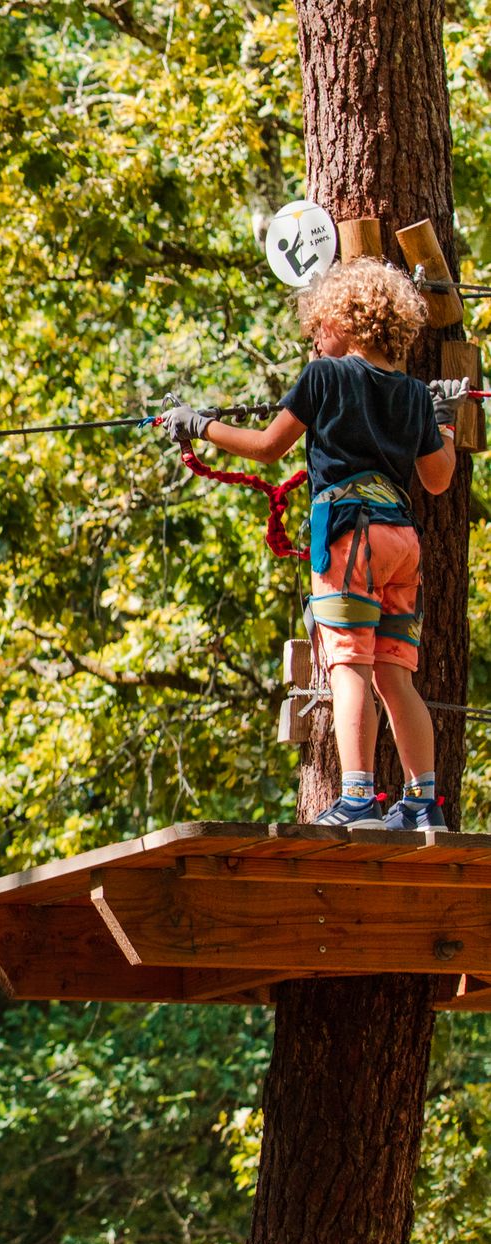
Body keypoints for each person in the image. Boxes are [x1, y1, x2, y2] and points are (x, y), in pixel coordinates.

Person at [162, 256, 467, 830]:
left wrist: (199, 424)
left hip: (350, 537)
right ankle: (423, 802)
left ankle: (358, 799)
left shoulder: (324, 377)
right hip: (403, 540)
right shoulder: (410, 396)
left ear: (345, 322)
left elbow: (266, 447)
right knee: (395, 675)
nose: (313, 340)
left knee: (348, 667)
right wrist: (443, 421)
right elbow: (438, 478)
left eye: (318, 328)